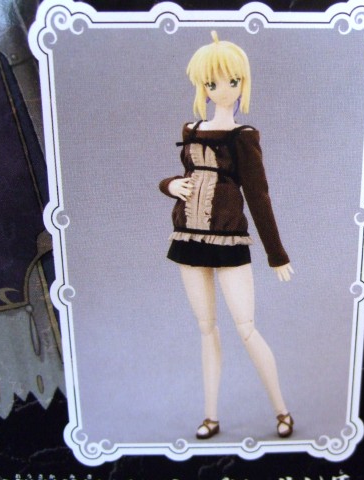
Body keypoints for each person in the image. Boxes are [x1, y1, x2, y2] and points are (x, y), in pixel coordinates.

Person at [159, 31, 294, 440]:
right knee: (206, 328)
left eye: (232, 81)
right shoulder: (190, 129)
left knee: (246, 327)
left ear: (242, 83)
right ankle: (211, 415)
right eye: (212, 82)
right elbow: (183, 175)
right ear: (202, 86)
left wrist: (276, 254)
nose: (223, 89)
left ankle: (282, 409)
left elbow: (258, 196)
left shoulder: (243, 136)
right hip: (187, 237)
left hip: (229, 239)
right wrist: (169, 185)